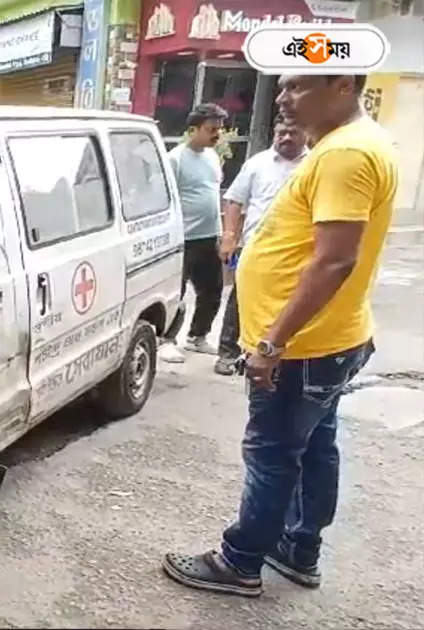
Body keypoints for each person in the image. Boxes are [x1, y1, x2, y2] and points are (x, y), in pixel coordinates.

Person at [161, 74, 397, 597]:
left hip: (303, 346)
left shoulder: (346, 154)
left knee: (272, 453)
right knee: (315, 447)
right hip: (331, 338)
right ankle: (297, 549)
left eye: (297, 87)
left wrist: (271, 344)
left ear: (341, 85)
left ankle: (240, 561)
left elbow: (335, 259)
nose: (283, 98)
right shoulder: (353, 142)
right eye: (283, 86)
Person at [213, 119, 308, 375]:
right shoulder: (257, 164)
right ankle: (228, 353)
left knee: (288, 303)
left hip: (295, 251)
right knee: (240, 299)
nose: (286, 137)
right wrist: (229, 236)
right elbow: (234, 200)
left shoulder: (314, 164)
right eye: (281, 132)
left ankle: (273, 352)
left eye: (293, 132)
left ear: (305, 133)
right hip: (254, 247)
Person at [159, 103, 227, 363]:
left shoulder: (212, 156)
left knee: (212, 290)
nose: (217, 135)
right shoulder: (175, 159)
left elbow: (213, 192)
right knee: (176, 291)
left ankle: (198, 336)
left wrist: (221, 231)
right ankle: (166, 339)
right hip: (183, 239)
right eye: (211, 129)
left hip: (209, 236)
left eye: (218, 129)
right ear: (193, 129)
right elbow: (166, 197)